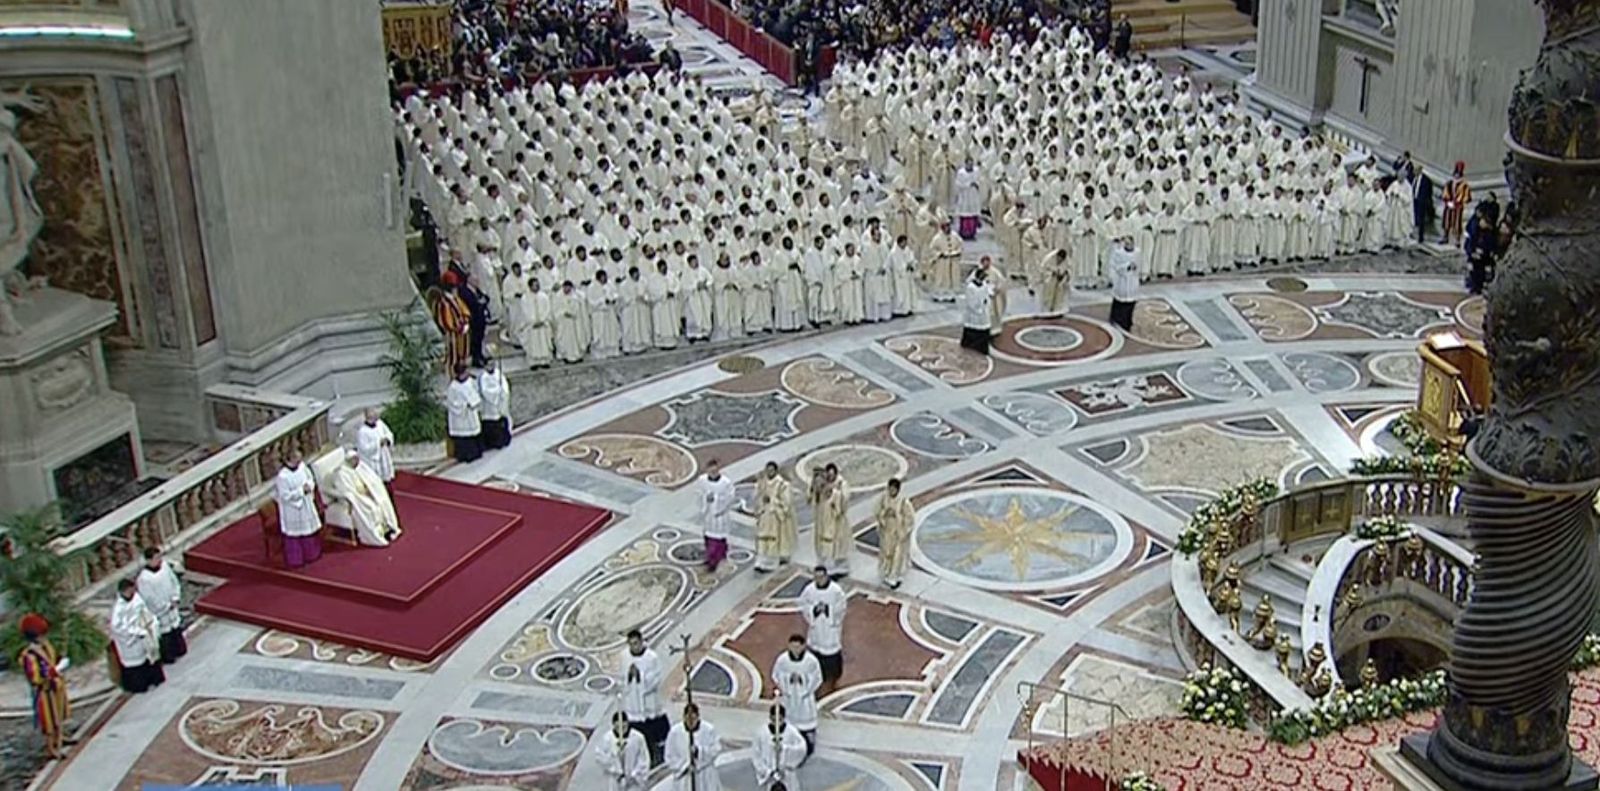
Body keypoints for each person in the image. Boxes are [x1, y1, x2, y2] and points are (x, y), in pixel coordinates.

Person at [18, 613, 71, 760]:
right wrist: (55, 670)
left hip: (55, 687)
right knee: (49, 720)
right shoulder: (29, 655)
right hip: (44, 691)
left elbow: (52, 659)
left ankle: (60, 737)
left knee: (59, 714)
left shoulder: (46, 646)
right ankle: (51, 747)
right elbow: (36, 677)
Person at [330, 449, 403, 546]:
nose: (357, 462)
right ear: (348, 460)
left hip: (367, 494)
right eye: (354, 460)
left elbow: (372, 479)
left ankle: (388, 528)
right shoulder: (342, 473)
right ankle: (376, 534)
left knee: (382, 502)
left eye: (357, 459)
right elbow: (346, 490)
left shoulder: (359, 467)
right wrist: (360, 495)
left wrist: (372, 489)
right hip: (358, 499)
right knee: (372, 508)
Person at [622, 629, 670, 765]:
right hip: (633, 702)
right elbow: (622, 677)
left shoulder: (651, 657)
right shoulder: (625, 656)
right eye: (631, 644)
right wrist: (628, 675)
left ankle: (658, 754)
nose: (634, 647)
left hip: (649, 702)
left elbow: (656, 678)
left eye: (636, 643)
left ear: (642, 642)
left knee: (656, 729)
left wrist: (640, 676)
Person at [110, 578, 165, 693]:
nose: (132, 593)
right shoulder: (119, 609)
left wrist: (151, 623)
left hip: (144, 633)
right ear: (123, 591)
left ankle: (154, 679)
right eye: (130, 591)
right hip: (131, 640)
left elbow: (145, 611)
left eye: (133, 590)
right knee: (137, 664)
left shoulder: (136, 598)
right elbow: (117, 628)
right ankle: (140, 686)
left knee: (150, 657)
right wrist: (136, 632)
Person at [799, 566, 848, 695]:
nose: (819, 580)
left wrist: (827, 609)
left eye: (821, 577)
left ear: (826, 576)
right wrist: (814, 610)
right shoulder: (809, 590)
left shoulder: (836, 591)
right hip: (816, 629)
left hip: (830, 629)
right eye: (817, 577)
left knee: (830, 652)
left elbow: (841, 607)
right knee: (816, 651)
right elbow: (803, 604)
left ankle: (833, 673)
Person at [771, 633, 823, 756]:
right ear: (788, 646)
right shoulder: (782, 660)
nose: (795, 649)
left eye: (797, 647)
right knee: (790, 723)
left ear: (803, 646)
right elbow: (776, 675)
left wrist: (802, 680)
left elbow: (817, 678)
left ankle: (808, 747)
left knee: (806, 724)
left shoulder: (811, 661)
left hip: (805, 699)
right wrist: (788, 680)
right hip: (789, 698)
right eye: (792, 646)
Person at [274, 447, 323, 568]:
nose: (299, 460)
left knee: (308, 530)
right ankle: (296, 560)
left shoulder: (302, 467)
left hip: (305, 504)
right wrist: (301, 491)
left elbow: (310, 479)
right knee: (294, 535)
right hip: (292, 509)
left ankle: (312, 555)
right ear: (289, 459)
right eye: (297, 458)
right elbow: (285, 496)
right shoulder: (282, 477)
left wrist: (309, 486)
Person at [136, 546, 185, 664]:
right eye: (156, 558)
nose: (159, 560)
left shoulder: (165, 567)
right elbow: (149, 598)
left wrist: (175, 597)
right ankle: (169, 656)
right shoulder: (144, 579)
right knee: (165, 634)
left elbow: (174, 581)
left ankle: (180, 650)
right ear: (148, 560)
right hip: (161, 610)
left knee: (175, 628)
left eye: (160, 557)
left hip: (172, 604)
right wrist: (166, 606)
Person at [665, 702, 723, 791]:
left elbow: (716, 749)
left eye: (693, 718)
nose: (691, 722)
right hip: (684, 778)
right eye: (688, 718)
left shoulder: (708, 729)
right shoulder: (675, 732)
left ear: (698, 716)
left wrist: (699, 752)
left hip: (705, 776)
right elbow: (669, 756)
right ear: (684, 717)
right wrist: (685, 766)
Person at [755, 462, 797, 572]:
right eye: (767, 470)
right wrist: (761, 503)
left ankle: (771, 562)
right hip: (765, 514)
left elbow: (787, 502)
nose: (769, 473)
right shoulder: (762, 483)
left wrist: (773, 502)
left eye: (771, 470)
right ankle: (761, 560)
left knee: (773, 538)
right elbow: (758, 496)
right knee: (762, 538)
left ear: (775, 471)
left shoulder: (782, 484)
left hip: (775, 515)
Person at [875, 478, 915, 590]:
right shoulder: (884, 499)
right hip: (887, 531)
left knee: (897, 555)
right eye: (890, 489)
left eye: (893, 489)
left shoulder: (903, 502)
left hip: (898, 533)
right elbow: (877, 512)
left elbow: (910, 518)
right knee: (886, 553)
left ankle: (894, 577)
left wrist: (902, 528)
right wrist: (885, 513)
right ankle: (886, 573)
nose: (891, 491)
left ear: (898, 490)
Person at [754, 703, 808, 787]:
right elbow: (756, 755)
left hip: (787, 777)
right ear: (770, 717)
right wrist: (768, 771)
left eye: (779, 720)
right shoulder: (762, 733)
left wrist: (785, 749)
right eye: (774, 720)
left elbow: (802, 748)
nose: (777, 724)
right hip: (770, 777)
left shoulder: (791, 731)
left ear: (784, 718)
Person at [594, 711, 650, 791]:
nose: (621, 731)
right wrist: (617, 771)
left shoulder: (637, 738)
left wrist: (634, 775)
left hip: (634, 782)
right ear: (613, 725)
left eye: (623, 727)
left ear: (627, 724)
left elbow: (643, 758)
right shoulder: (607, 739)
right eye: (617, 728)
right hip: (614, 780)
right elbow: (601, 757)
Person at [812, 465, 850, 577]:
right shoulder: (822, 487)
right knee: (822, 542)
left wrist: (835, 501)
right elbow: (813, 500)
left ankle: (836, 567)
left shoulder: (841, 485)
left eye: (832, 475)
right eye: (828, 476)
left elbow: (843, 503)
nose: (829, 478)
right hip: (822, 519)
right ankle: (824, 564)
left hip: (835, 521)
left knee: (835, 544)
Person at [699, 459, 736, 572]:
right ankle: (709, 557)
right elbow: (699, 493)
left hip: (720, 514)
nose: (713, 472)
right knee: (708, 537)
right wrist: (706, 498)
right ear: (707, 469)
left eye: (715, 470)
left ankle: (714, 561)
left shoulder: (726, 482)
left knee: (718, 539)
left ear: (718, 469)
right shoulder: (702, 480)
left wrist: (716, 499)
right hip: (708, 514)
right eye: (711, 470)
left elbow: (730, 497)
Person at [477, 357, 512, 450]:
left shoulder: (498, 373)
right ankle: (491, 443)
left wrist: (503, 393)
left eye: (493, 364)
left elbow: (505, 386)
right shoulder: (483, 377)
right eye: (489, 365)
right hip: (489, 406)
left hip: (499, 404)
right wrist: (497, 392)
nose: (491, 366)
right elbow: (485, 391)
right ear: (485, 366)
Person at [1107, 235, 1140, 332]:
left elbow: (1139, 265)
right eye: (1127, 244)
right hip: (1122, 281)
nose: (1129, 246)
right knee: (1120, 301)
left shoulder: (1137, 252)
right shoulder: (1119, 253)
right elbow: (1116, 266)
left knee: (1130, 302)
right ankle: (1117, 320)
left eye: (1130, 244)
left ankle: (1127, 321)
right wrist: (1126, 267)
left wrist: (1134, 268)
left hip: (1132, 280)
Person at [355, 408, 396, 485]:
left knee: (387, 480)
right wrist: (378, 443)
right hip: (372, 461)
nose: (375, 419)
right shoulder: (362, 432)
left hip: (383, 455)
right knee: (376, 482)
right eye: (373, 417)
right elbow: (364, 448)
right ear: (368, 418)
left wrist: (387, 439)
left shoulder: (380, 424)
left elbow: (388, 433)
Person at [960, 268, 995, 354]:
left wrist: (986, 302)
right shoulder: (971, 287)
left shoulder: (984, 285)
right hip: (974, 313)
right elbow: (970, 301)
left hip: (983, 311)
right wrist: (978, 308)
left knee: (984, 328)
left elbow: (987, 294)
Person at [1441, 160, 1470, 245]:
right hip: (1449, 206)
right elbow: (1445, 193)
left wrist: (1457, 203)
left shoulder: (1464, 185)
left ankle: (1457, 240)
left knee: (1457, 223)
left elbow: (1466, 197)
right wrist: (1448, 201)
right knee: (1446, 221)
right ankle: (1445, 237)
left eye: (1458, 174)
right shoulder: (1449, 183)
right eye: (1455, 174)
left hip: (1458, 208)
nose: (1456, 176)